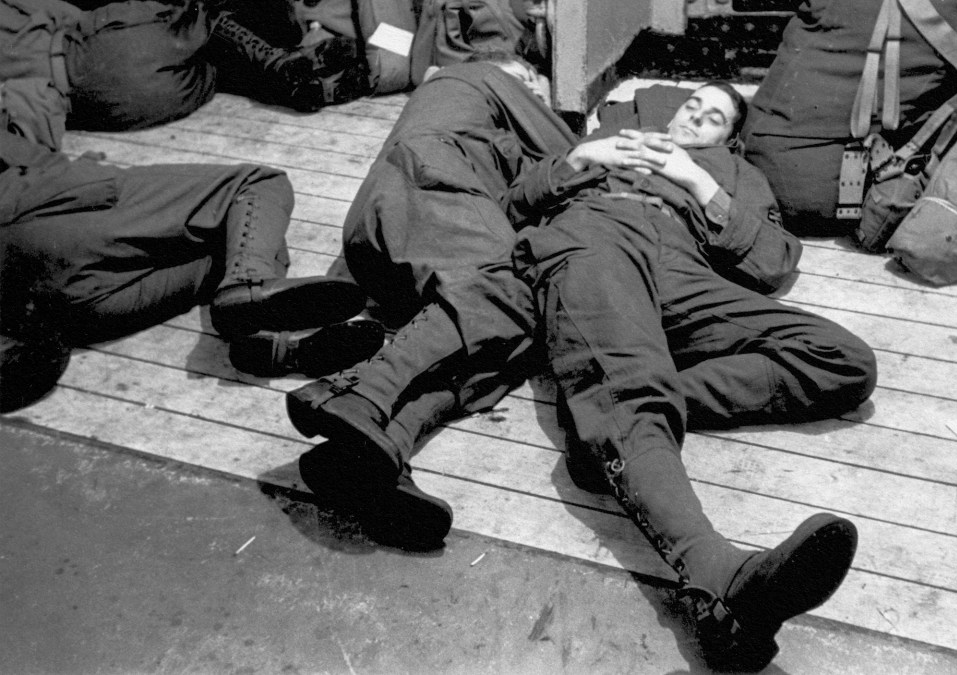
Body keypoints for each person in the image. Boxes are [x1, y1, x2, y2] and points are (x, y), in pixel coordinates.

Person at [507, 83, 877, 670]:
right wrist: (582, 159)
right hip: (597, 239)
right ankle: (723, 582)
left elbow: (774, 260)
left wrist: (697, 181)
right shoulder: (613, 139)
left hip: (683, 269)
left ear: (728, 137)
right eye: (691, 108)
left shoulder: (735, 174)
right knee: (630, 388)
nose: (694, 120)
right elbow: (514, 201)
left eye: (711, 120)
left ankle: (610, 426)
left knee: (843, 360)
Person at [285, 52, 573, 548]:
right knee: (506, 287)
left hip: (395, 236)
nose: (538, 101)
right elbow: (569, 158)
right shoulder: (483, 77)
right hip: (423, 187)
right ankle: (359, 392)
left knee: (513, 343)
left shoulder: (485, 129)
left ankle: (375, 457)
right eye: (536, 89)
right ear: (517, 77)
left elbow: (513, 200)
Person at [0, 89, 382, 412]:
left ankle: (266, 344)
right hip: (42, 222)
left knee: (234, 242)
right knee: (257, 186)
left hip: (65, 316)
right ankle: (249, 288)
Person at [0, 0, 366, 148]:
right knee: (197, 18)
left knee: (215, 65)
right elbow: (64, 12)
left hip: (122, 107)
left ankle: (293, 78)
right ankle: (280, 63)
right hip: (97, 51)